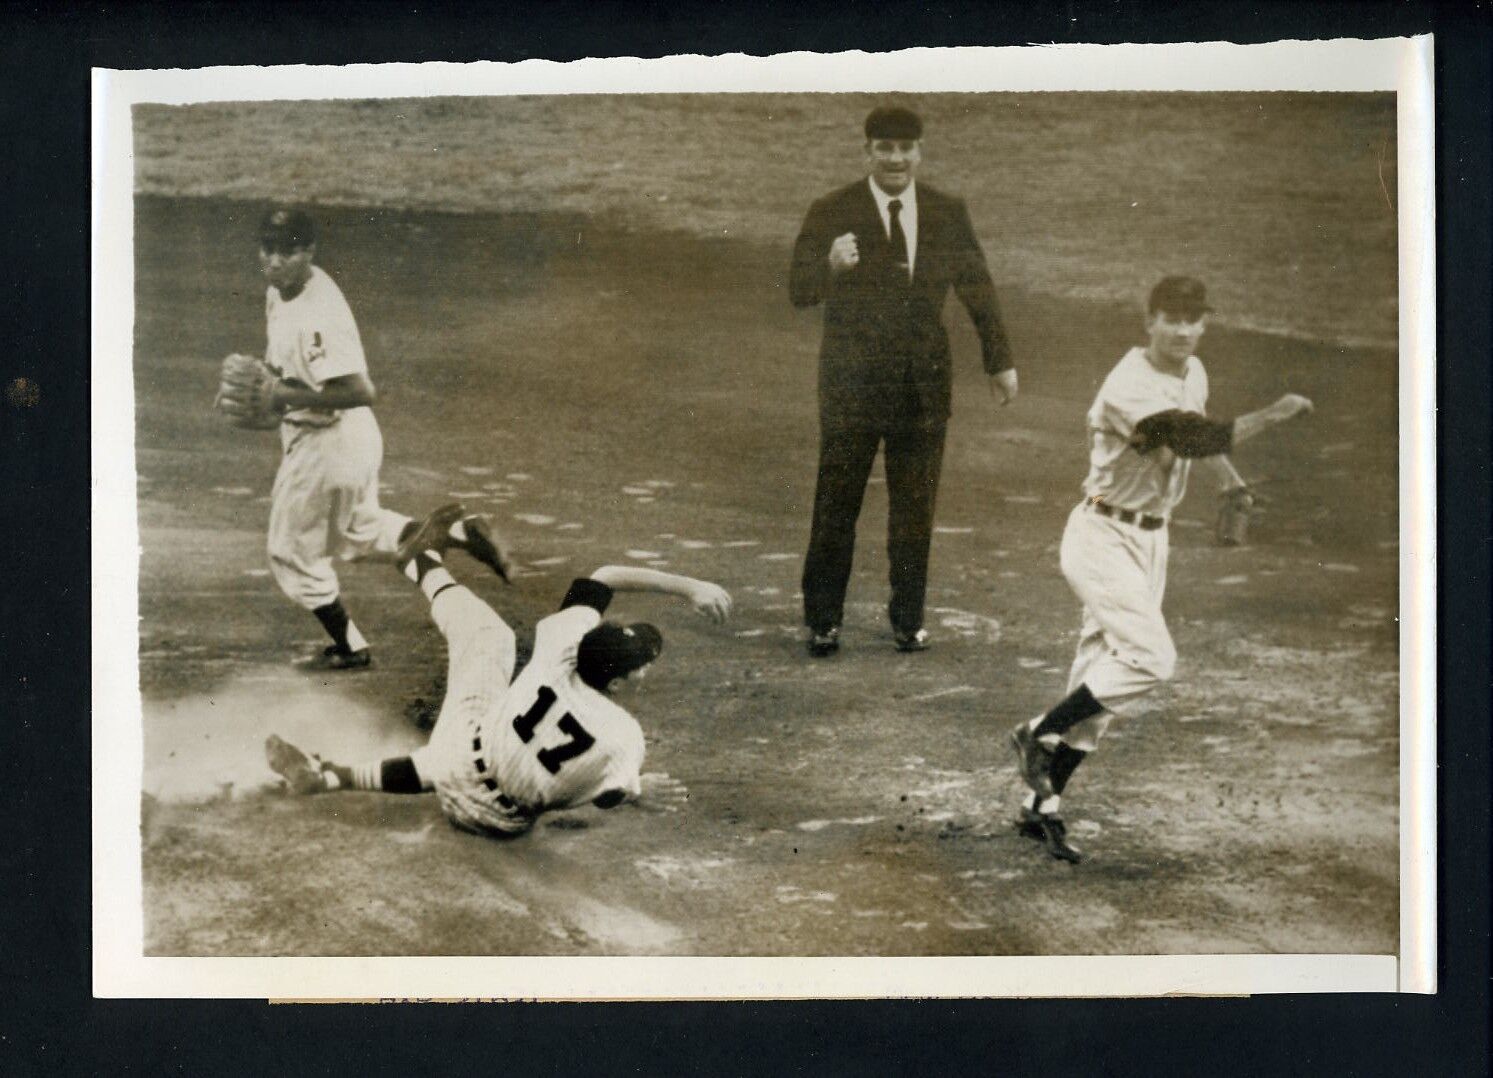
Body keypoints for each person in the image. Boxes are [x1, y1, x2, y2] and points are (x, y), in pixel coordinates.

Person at [1008, 276, 1314, 862]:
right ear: (1148, 321)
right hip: (1101, 535)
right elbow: (1195, 434)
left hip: (1151, 543)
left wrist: (1233, 486)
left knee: (1101, 678)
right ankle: (1036, 731)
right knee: (1151, 658)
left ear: (1204, 323)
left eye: (1192, 318)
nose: (1181, 329)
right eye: (1170, 318)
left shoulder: (1191, 372)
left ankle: (1041, 807)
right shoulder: (1128, 386)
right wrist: (1276, 413)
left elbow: (1187, 449)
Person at [265, 502, 733, 836]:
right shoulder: (622, 737)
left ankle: (423, 564)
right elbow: (609, 797)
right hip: (495, 822)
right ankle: (328, 778)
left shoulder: (560, 647)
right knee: (488, 756)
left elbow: (603, 576)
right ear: (618, 682)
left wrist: (689, 587)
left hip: (455, 763)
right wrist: (637, 792)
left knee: (491, 642)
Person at [789, 105, 1018, 657]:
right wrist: (831, 268)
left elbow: (977, 286)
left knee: (914, 511)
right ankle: (823, 620)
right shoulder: (833, 209)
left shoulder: (945, 211)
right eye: (884, 149)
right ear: (866, 152)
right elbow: (798, 289)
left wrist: (999, 359)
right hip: (853, 387)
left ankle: (908, 619)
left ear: (919, 151)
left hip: (922, 386)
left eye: (904, 148)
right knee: (837, 506)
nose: (895, 159)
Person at [250, 207, 507, 669]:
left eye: (286, 251)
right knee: (360, 530)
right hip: (343, 441)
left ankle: (350, 647)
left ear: (308, 251)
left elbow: (358, 389)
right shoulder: (280, 292)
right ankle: (456, 531)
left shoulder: (319, 313)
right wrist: (269, 390)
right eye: (267, 249)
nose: (273, 260)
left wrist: (279, 395)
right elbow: (284, 371)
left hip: (330, 445)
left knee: (289, 551)